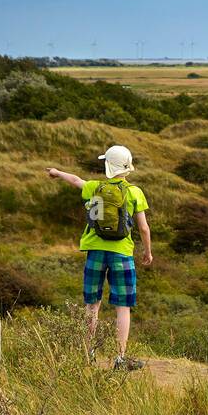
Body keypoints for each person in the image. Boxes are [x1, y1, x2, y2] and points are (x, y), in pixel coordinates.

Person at [45, 144, 152, 370]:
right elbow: (143, 228)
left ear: (107, 165)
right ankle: (120, 358)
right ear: (127, 167)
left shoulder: (94, 187)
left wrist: (57, 172)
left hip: (95, 250)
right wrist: (147, 252)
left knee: (92, 304)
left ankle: (88, 353)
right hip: (122, 252)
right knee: (122, 306)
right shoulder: (134, 192)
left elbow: (75, 180)